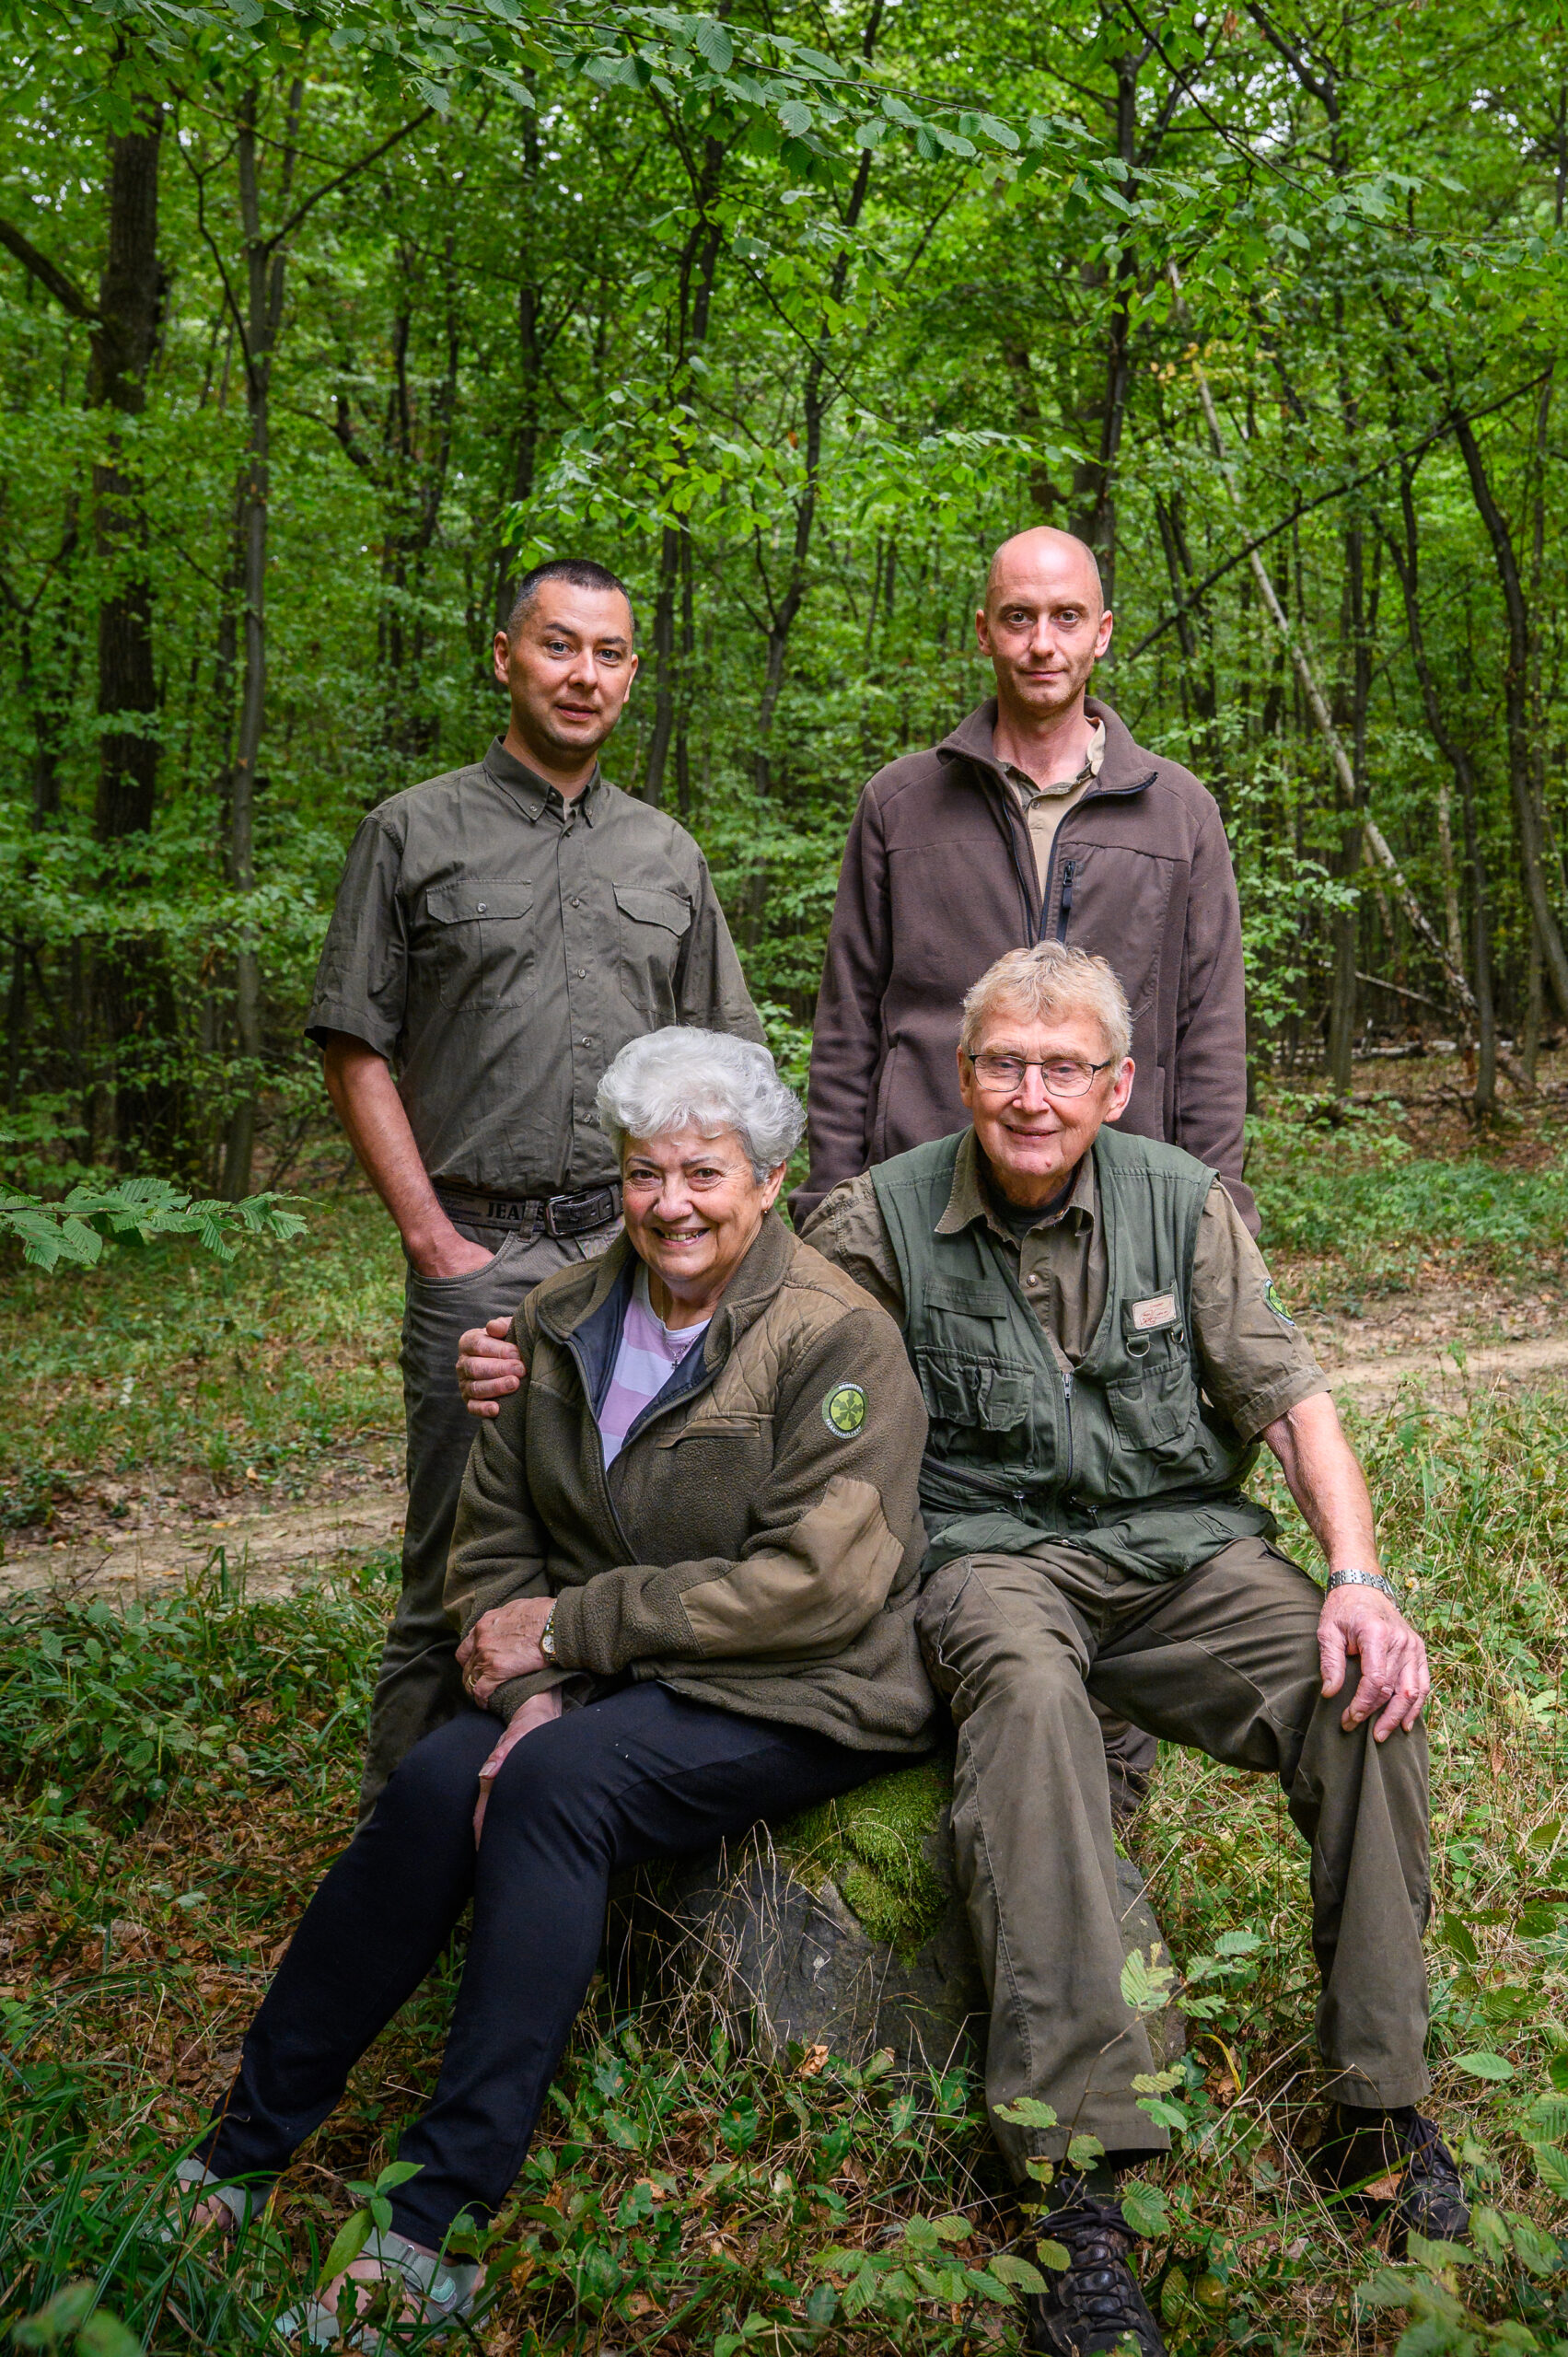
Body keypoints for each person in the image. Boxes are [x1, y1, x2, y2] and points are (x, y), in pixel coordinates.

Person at [172, 1029, 934, 2335]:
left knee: (553, 1793)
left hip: (803, 1688)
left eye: (704, 1171)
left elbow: (819, 1587)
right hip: (609, 1676)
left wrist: (573, 1640)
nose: (671, 1204)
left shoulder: (833, 1336)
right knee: (429, 1784)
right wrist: (521, 1691)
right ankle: (241, 2149)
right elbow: (496, 1535)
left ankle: (430, 2228)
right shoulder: (564, 1315)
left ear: (766, 1180)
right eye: (644, 1172)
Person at [799, 941, 1462, 2357]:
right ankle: (1075, 2176)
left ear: (1115, 1083)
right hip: (990, 1564)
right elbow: (750, 1346)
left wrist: (1353, 1578)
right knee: (1029, 1704)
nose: (1029, 1096)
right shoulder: (875, 1219)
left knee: (1358, 1694)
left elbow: (1287, 1400)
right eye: (1001, 1064)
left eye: (1060, 1068)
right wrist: (546, 1348)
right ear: (962, 1074)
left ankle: (1378, 2104)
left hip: (1178, 1557)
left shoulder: (1181, 1202)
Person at [305, 556, 764, 1816]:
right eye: (559, 647)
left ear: (631, 675)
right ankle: (405, 1853)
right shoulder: (413, 831)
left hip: (640, 1257)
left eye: (610, 654)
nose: (585, 675)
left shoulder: (663, 854)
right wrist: (436, 1245)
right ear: (504, 657)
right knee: (453, 1561)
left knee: (635, 1538)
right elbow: (355, 1045)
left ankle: (581, 1828)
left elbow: (724, 1066)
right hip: (484, 1255)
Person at [794, 526, 1257, 1233]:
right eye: (1019, 617)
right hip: (922, 1203)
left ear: (1100, 634)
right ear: (984, 632)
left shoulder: (1178, 814)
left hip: (1125, 1208)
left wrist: (1216, 1213)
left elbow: (1210, 1036)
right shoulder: (899, 805)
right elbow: (847, 1025)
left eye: (1065, 617)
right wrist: (830, 1206)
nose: (1042, 643)